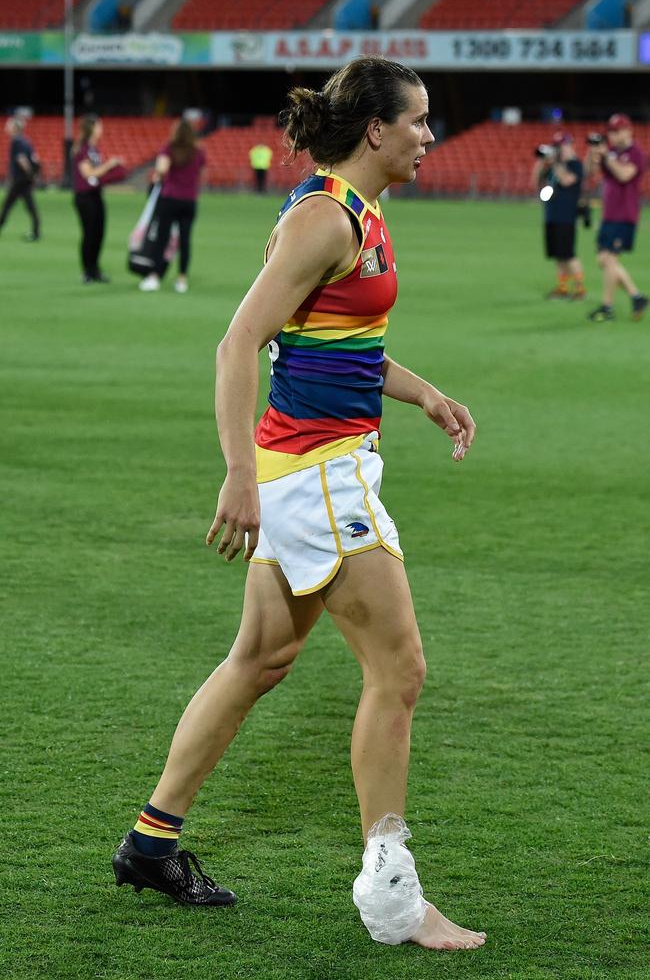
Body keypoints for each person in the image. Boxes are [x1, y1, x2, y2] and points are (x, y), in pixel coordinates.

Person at [112, 57, 486, 953]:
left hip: (310, 469)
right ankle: (395, 901)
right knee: (399, 670)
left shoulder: (354, 211)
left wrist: (423, 393)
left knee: (260, 659)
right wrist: (238, 473)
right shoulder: (324, 218)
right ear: (375, 130)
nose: (429, 136)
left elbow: (340, 345)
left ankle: (150, 842)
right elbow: (240, 342)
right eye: (420, 121)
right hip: (315, 476)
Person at [585, 113, 647, 322]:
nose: (613, 135)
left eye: (617, 130)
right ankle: (636, 296)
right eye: (611, 131)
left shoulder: (637, 153)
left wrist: (608, 157)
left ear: (629, 131)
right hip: (609, 214)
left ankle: (607, 306)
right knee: (603, 259)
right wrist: (593, 153)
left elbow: (624, 175)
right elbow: (591, 173)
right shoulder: (609, 152)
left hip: (624, 214)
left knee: (610, 258)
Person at [139, 119, 205, 294]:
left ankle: (154, 276)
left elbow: (161, 169)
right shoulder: (198, 152)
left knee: (162, 238)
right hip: (189, 200)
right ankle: (182, 279)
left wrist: (158, 179)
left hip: (169, 198)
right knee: (185, 240)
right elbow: (200, 173)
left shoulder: (169, 148)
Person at [532, 132, 586, 300]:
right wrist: (542, 161)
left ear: (569, 145)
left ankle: (579, 288)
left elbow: (566, 180)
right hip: (551, 214)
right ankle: (562, 288)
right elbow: (535, 182)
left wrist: (555, 162)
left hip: (566, 216)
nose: (558, 150)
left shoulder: (575, 164)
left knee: (568, 254)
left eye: (560, 146)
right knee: (558, 254)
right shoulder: (552, 166)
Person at [72, 114, 123, 284]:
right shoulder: (83, 149)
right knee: (89, 234)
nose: (102, 129)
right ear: (92, 128)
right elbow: (88, 174)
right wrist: (110, 164)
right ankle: (87, 271)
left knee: (99, 233)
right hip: (85, 197)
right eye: (99, 126)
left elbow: (97, 175)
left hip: (96, 195)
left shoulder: (94, 149)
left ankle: (95, 269)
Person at [0, 116, 40, 241]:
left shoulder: (16, 141)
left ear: (15, 128)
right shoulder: (26, 140)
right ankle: (36, 232)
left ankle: (36, 232)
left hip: (20, 179)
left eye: (9, 125)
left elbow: (22, 159)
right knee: (29, 205)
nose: (6, 127)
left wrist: (30, 174)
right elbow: (35, 158)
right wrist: (33, 175)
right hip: (25, 179)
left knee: (7, 205)